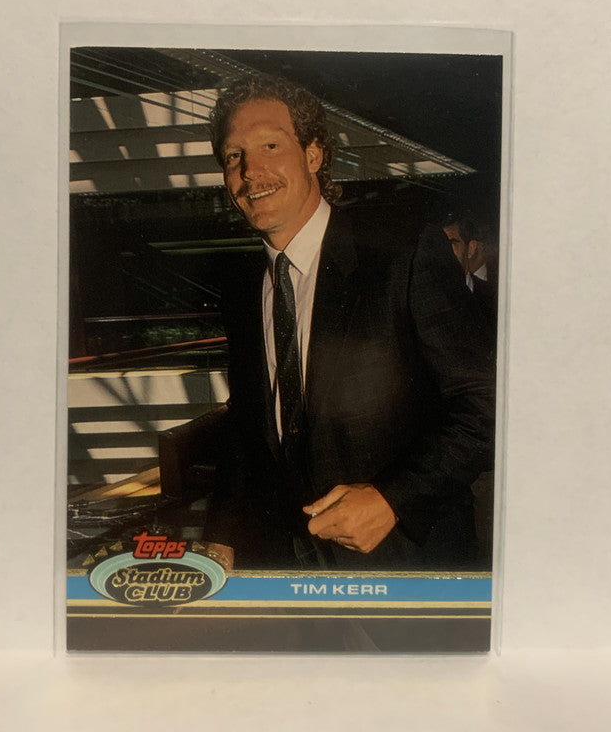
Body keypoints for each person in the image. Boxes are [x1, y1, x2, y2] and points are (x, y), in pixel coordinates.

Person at [201, 75, 495, 571]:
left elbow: (488, 403)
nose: (251, 171)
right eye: (234, 155)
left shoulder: (403, 251)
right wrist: (222, 536)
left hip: (403, 568)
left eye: (270, 145)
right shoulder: (243, 288)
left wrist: (393, 499)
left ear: (314, 153)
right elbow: (248, 423)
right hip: (288, 573)